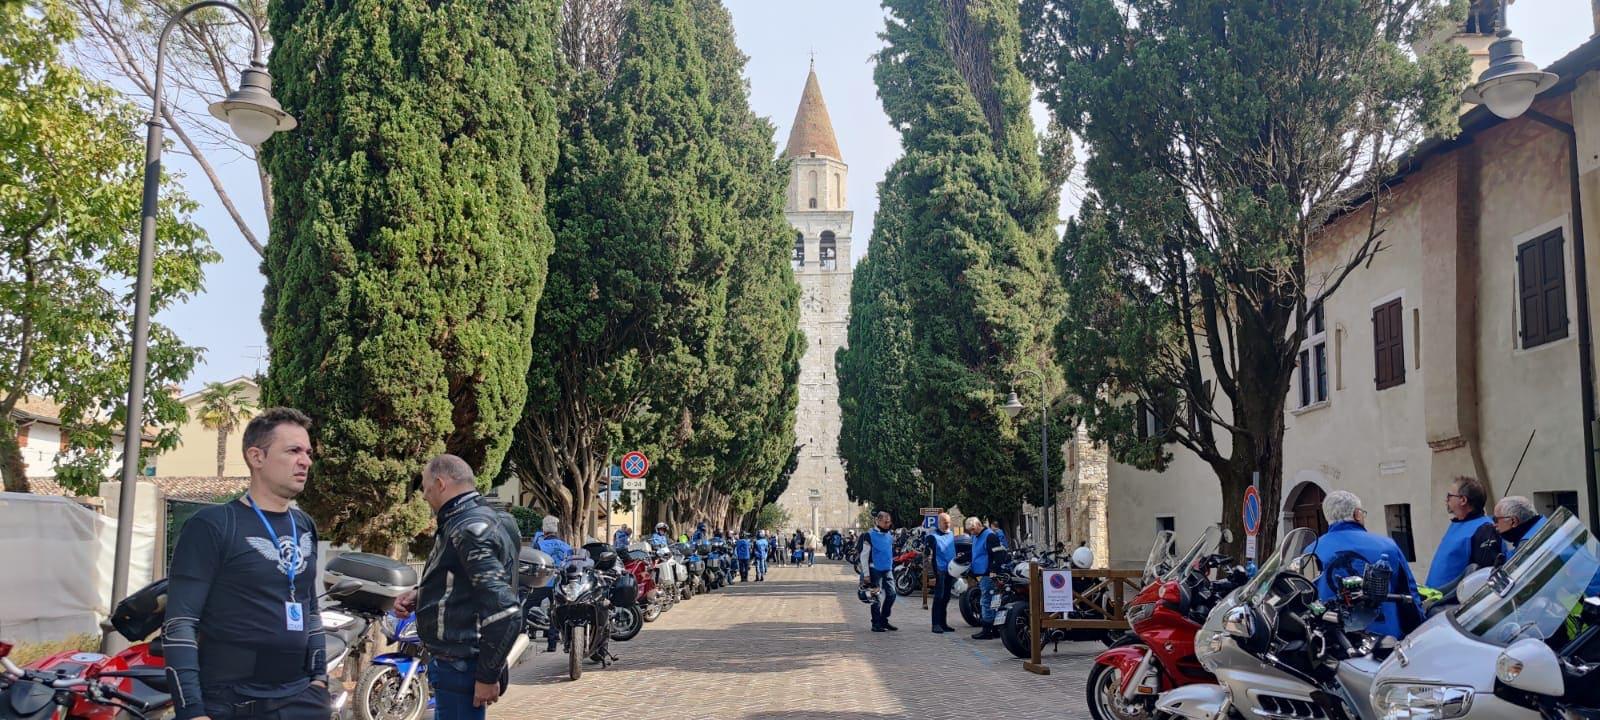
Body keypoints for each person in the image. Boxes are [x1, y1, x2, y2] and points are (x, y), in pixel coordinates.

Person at [165, 408, 330, 720]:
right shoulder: (213, 525)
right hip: (232, 704)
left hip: (301, 699)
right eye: (293, 451)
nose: (306, 461)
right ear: (257, 457)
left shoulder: (304, 524)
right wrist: (191, 711)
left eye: (308, 452)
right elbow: (180, 623)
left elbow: (309, 608)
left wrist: (320, 679)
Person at [392, 455, 521, 720]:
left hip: (461, 664)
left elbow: (506, 610)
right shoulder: (481, 519)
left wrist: (487, 675)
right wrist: (422, 594)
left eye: (426, 487)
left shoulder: (468, 529)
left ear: (440, 484)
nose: (425, 496)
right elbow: (468, 582)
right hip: (458, 662)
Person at [1312, 490, 1423, 639]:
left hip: (1334, 640)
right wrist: (1420, 626)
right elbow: (1409, 591)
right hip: (1386, 639)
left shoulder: (1312, 550)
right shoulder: (1387, 546)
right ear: (1357, 514)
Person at [1425, 477, 1500, 592]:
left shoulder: (1484, 530)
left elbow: (1483, 578)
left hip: (1455, 605)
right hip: (1437, 603)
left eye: (1449, 496)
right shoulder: (1459, 524)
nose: (1446, 500)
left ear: (1463, 500)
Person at [858, 511, 898, 632]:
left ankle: (883, 620)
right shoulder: (869, 535)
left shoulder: (889, 535)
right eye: (886, 522)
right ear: (878, 521)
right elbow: (864, 556)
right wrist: (866, 574)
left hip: (887, 569)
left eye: (889, 521)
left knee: (892, 594)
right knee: (875, 597)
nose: (888, 524)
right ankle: (876, 623)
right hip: (874, 569)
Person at [968, 516, 1005, 640]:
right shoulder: (976, 537)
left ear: (979, 525)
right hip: (981, 572)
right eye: (970, 531)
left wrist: (993, 571)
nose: (972, 532)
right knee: (991, 600)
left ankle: (987, 629)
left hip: (988, 574)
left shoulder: (990, 536)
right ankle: (994, 629)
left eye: (973, 529)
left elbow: (999, 554)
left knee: (986, 600)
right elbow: (975, 554)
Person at [925, 512, 958, 634]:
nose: (947, 525)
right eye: (945, 523)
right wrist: (931, 574)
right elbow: (927, 555)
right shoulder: (932, 536)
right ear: (939, 523)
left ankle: (943, 623)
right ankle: (936, 624)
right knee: (939, 597)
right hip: (939, 570)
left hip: (950, 570)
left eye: (949, 522)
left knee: (946, 597)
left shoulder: (951, 534)